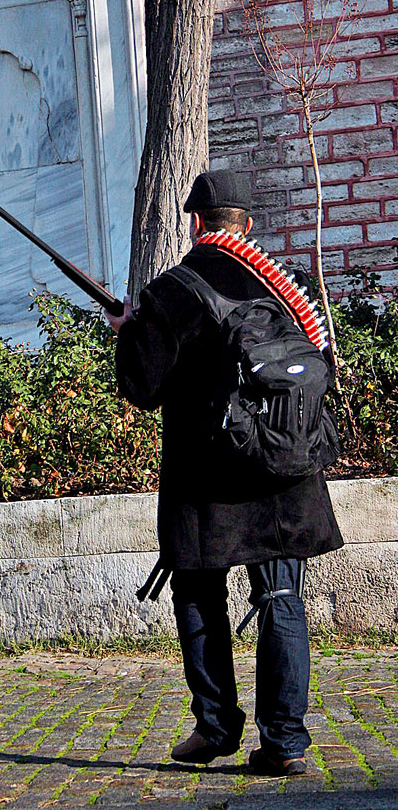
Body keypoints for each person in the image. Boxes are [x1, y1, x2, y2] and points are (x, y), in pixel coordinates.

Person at [105, 170, 343, 778]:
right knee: (282, 597)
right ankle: (286, 741)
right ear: (249, 225)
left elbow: (141, 386)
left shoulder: (173, 290)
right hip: (283, 473)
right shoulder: (280, 291)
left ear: (194, 223)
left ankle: (215, 726)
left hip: (208, 480)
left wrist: (128, 333)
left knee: (198, 592)